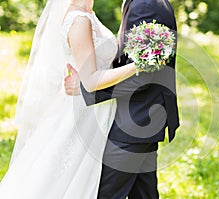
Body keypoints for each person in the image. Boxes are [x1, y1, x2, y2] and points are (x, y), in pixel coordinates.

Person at [0, 0, 138, 198]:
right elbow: (90, 82)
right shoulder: (79, 20)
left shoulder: (88, 12)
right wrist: (138, 66)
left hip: (96, 108)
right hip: (83, 113)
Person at [65, 0, 180, 198]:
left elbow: (145, 73)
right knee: (144, 193)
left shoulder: (146, 4)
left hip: (135, 119)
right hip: (141, 116)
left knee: (103, 193)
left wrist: (88, 89)